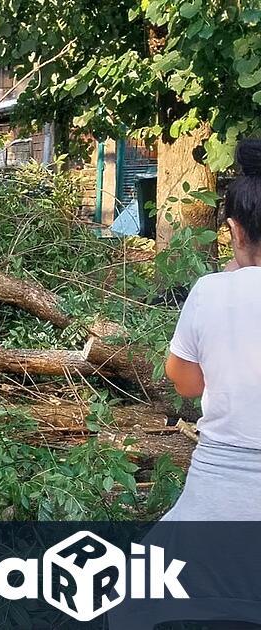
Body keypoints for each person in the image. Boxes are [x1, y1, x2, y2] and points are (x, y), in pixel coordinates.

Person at [162, 138, 261, 521]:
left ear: (234, 230)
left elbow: (186, 383)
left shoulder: (211, 292)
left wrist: (229, 278)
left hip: (219, 489)